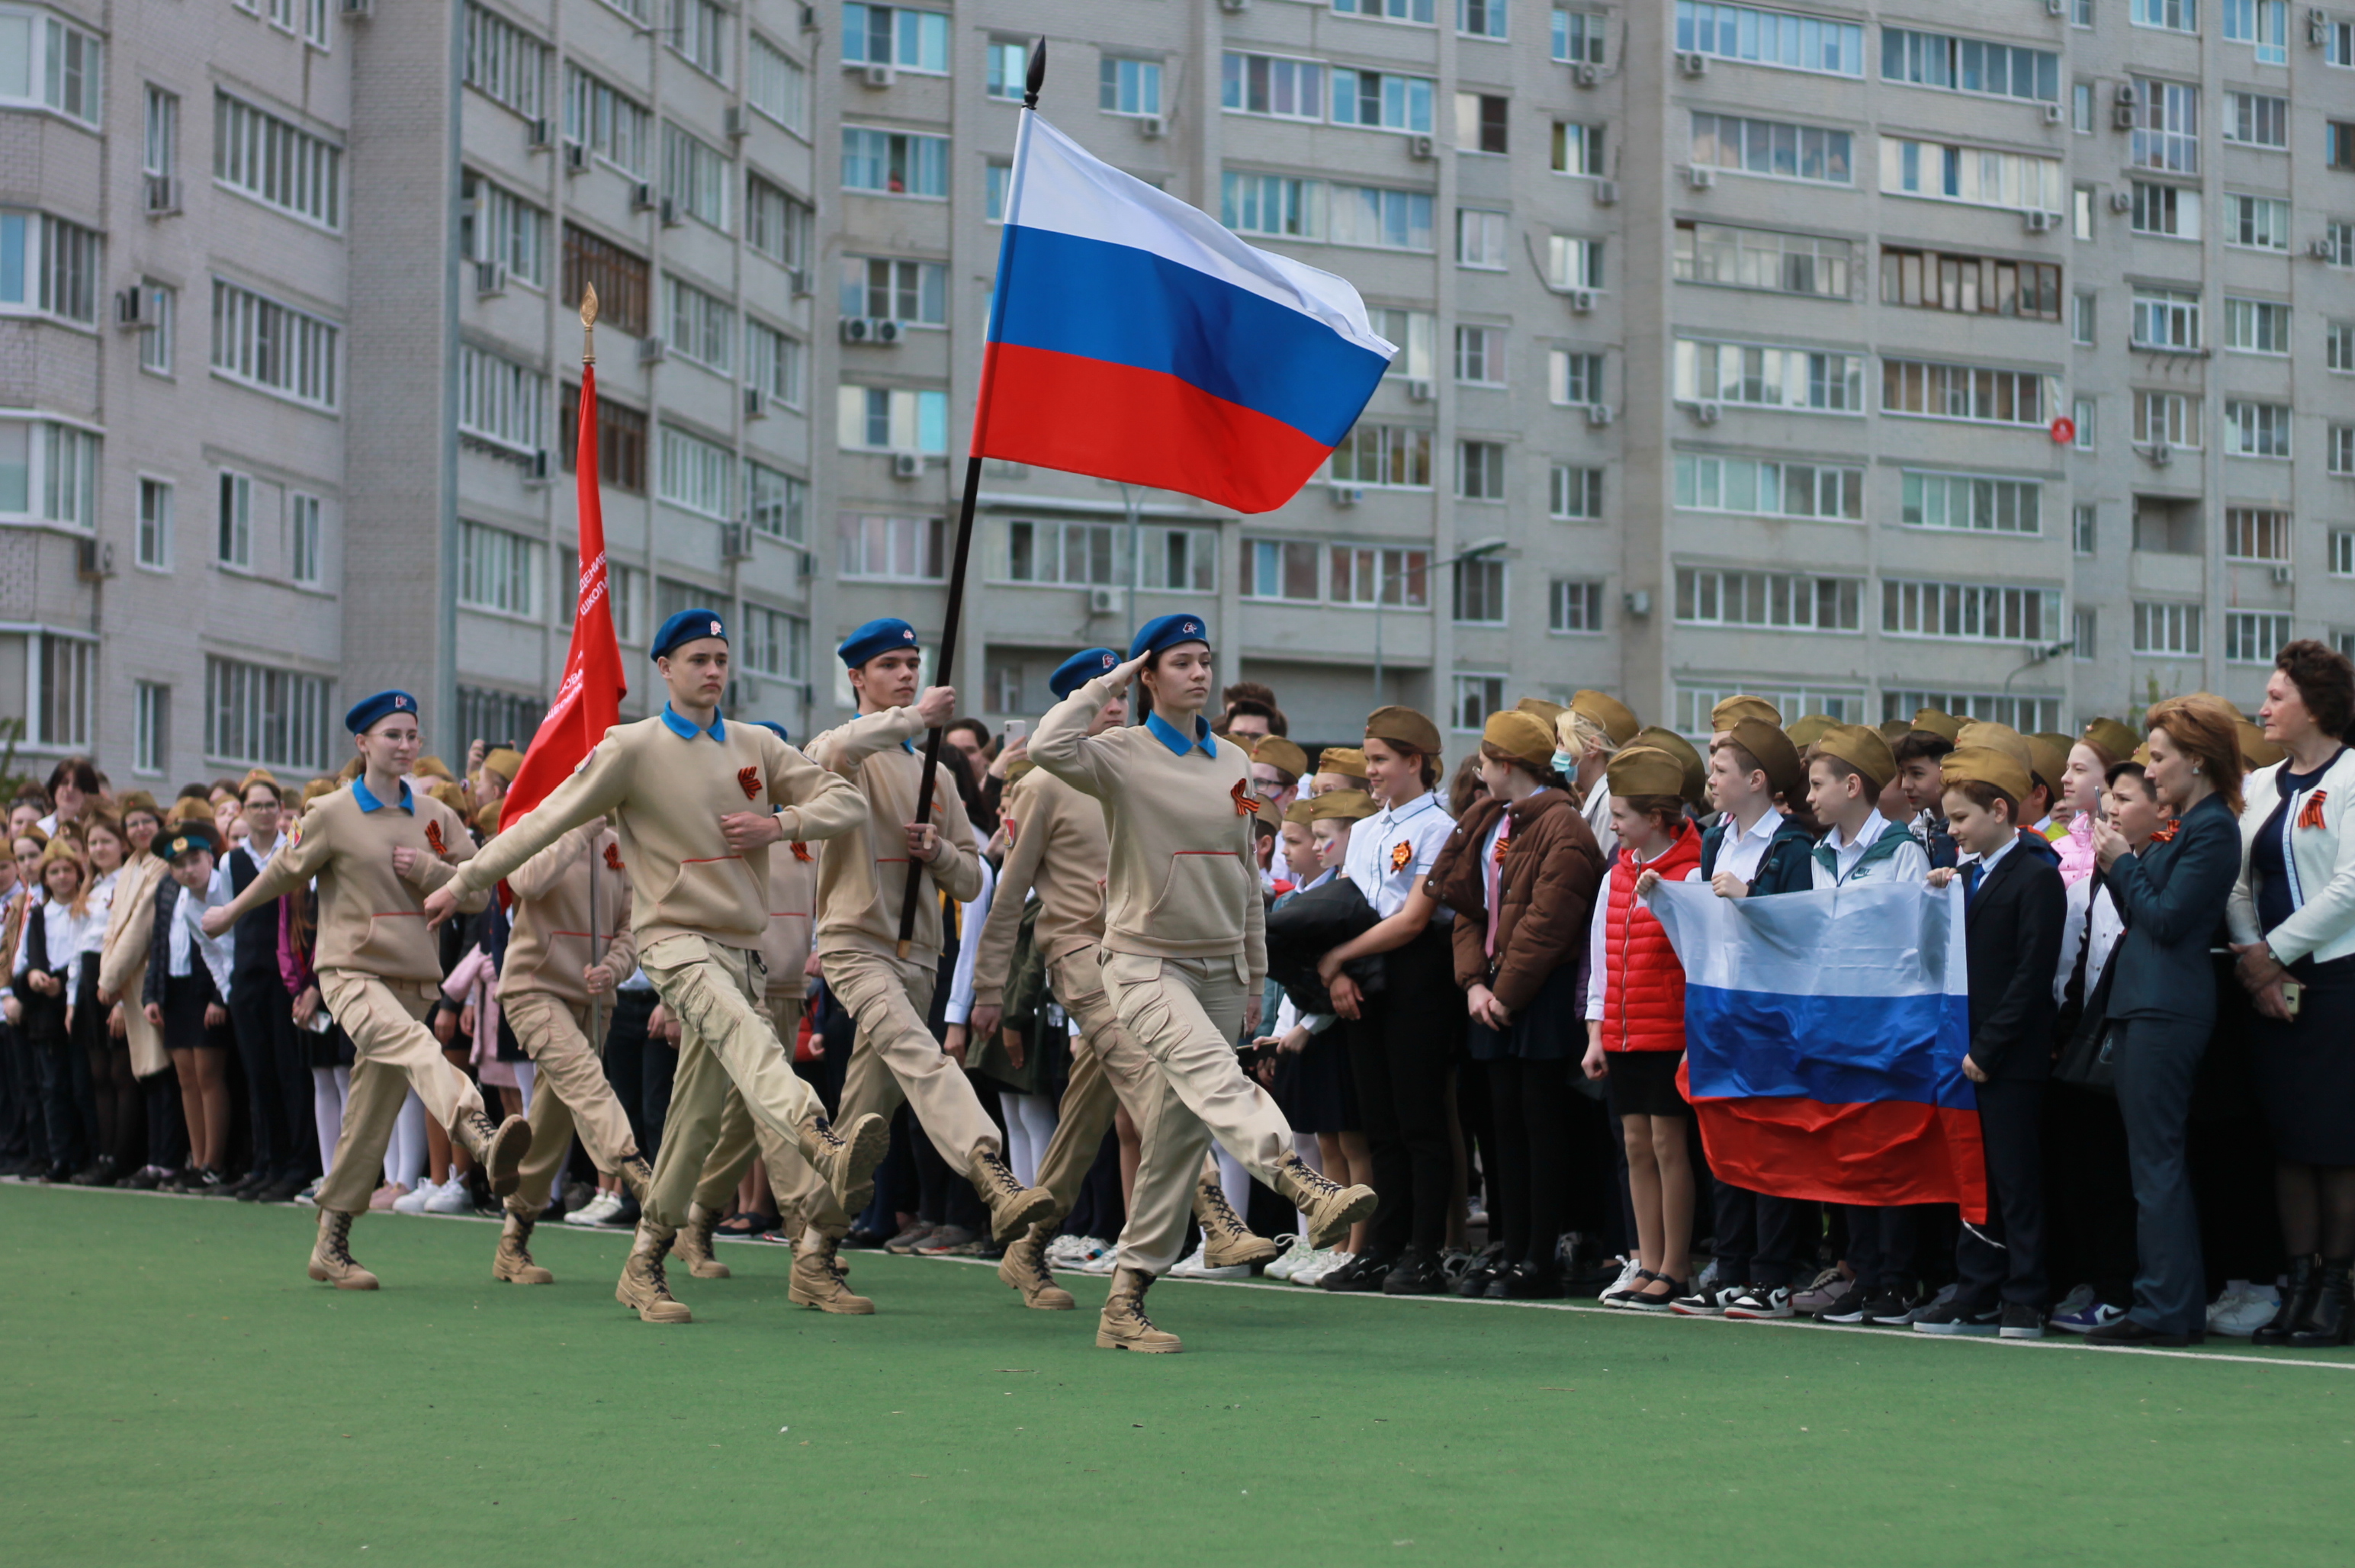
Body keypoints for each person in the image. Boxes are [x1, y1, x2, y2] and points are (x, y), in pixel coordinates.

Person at [426, 615, 880, 1324]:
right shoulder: (631, 747)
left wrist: (779, 825)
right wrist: (465, 881)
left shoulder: (756, 744)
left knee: (695, 1122)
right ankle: (819, 1137)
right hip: (672, 942)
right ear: (663, 667)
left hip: (742, 950)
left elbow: (845, 802)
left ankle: (644, 1261)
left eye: (723, 658)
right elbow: (547, 818)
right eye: (698, 658)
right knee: (750, 1037)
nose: (713, 670)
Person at [1030, 615, 1376, 1351]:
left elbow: (1246, 866)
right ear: (1151, 675)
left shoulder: (1234, 767)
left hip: (1222, 967)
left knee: (1177, 1140)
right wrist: (1113, 679)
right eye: (1180, 662)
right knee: (1217, 1078)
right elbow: (1045, 745)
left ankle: (1124, 1301)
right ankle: (1298, 1182)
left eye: (1204, 661)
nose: (1198, 673)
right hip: (1144, 962)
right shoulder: (1117, 755)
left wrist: (1253, 971)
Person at [972, 649, 1272, 1311]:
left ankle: (1026, 1245)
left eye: (1113, 694)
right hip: (1082, 951)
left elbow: (1239, 835)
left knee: (1086, 1112)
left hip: (1155, 949)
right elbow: (1011, 890)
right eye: (1092, 694)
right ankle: (1212, 1207)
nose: (1109, 705)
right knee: (1148, 1068)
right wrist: (989, 988)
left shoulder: (1157, 764)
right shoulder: (1046, 783)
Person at [204, 691, 533, 1290]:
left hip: (414, 976)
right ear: (363, 744)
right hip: (350, 975)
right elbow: (283, 868)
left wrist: (431, 873)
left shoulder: (438, 816)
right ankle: (479, 1131)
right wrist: (229, 911)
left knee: (369, 1113)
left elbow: (482, 892)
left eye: (413, 735)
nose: (406, 745)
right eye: (393, 735)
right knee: (416, 1047)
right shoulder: (330, 812)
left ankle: (330, 1243)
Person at [805, 619, 1052, 1253]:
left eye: (913, 662)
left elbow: (974, 880)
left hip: (919, 957)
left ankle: (814, 1241)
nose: (907, 673)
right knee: (924, 1057)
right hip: (856, 945)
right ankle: (991, 1173)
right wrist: (915, 717)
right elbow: (833, 755)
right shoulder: (840, 752)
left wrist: (940, 851)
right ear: (857, 678)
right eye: (890, 665)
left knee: (864, 1116)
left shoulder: (938, 778)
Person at [2082, 696, 2244, 1348]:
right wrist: (2121, 862)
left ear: (2196, 759)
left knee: (2157, 1163)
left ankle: (2166, 1306)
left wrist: (2122, 859)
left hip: (2166, 1008)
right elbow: (2149, 910)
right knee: (2153, 1161)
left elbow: (2170, 919)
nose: (2151, 773)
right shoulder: (2196, 824)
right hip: (2152, 1004)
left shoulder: (2212, 828)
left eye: (2159, 757)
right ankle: (2165, 1300)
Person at [1425, 710, 1603, 1300]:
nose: (1478, 769)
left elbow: (1551, 924)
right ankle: (1511, 1249)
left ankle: (1539, 1257)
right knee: (1503, 1130)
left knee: (1541, 1126)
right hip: (1495, 997)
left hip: (1538, 998)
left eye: (1484, 758)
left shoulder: (1564, 827)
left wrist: (1502, 993)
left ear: (1506, 765)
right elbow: (1466, 906)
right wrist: (1474, 983)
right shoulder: (1491, 820)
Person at [1913, 747, 2065, 1339]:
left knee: (2016, 1178)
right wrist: (1941, 895)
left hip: (2008, 1058)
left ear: (1999, 810)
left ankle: (2025, 1292)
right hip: (1963, 1050)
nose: (1951, 831)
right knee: (1972, 1175)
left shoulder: (2038, 874)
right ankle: (1976, 1286)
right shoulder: (1965, 876)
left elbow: (2033, 976)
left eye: (1960, 820)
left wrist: (1990, 1049)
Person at [2228, 641, 2355, 1346]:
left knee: (2336, 1143)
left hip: (2338, 981)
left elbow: (2351, 886)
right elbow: (2238, 884)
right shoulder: (2264, 784)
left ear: (2317, 704)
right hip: (2270, 985)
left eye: (2277, 697)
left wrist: (2273, 955)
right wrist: (2258, 963)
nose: (2263, 707)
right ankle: (2298, 1285)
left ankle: (2336, 1290)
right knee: (2288, 1142)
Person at [1314, 705, 1461, 1296]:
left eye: (1380, 760)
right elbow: (1343, 906)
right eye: (1369, 758)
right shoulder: (1369, 830)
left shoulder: (1439, 827)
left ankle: (1425, 1250)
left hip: (1417, 978)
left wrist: (1340, 957)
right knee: (1378, 1124)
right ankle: (1382, 1246)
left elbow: (1412, 919)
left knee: (1419, 1121)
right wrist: (1339, 974)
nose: (1370, 770)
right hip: (1362, 979)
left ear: (1414, 763)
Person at [1675, 718, 1820, 1319]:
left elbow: (1803, 932)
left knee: (1773, 1142)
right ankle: (1730, 1265)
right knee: (1727, 1137)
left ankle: (1772, 1272)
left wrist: (1750, 899)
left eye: (1722, 771)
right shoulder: (1716, 839)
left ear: (1757, 780)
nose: (1711, 780)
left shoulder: (1793, 847)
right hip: (1723, 1008)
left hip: (1774, 1016)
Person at [1800, 725, 1933, 1325]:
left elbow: (1914, 942)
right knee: (1849, 1155)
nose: (1810, 798)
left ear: (1853, 786)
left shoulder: (1902, 851)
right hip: (1838, 1024)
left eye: (1818, 785)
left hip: (1888, 1025)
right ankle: (1863, 1270)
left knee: (1890, 1154)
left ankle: (1896, 1279)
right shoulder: (1819, 855)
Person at [488, 810, 654, 1287]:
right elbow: (528, 880)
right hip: (533, 988)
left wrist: (615, 968)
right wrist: (579, 827)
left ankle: (513, 1238)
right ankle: (635, 1170)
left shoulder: (619, 842)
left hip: (593, 998)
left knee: (552, 1118)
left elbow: (630, 927)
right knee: (585, 1078)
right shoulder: (539, 826)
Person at [1587, 746, 1704, 1310]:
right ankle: (1648, 1260)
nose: (1614, 824)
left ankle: (1676, 1266)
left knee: (1667, 1143)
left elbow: (1700, 959)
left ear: (1655, 819)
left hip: (1670, 1033)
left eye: (1622, 815)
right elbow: (1601, 960)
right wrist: (1596, 1032)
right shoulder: (1618, 874)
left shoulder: (1691, 871)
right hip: (1624, 1030)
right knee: (1634, 1143)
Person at [214, 771, 313, 1201]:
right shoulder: (230, 861)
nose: (263, 812)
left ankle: (297, 1165)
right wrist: (228, 983)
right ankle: (265, 1163)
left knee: (291, 1072)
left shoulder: (295, 849)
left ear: (280, 809)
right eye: (254, 806)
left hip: (286, 980)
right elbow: (219, 925)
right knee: (258, 1075)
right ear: (242, 811)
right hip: (248, 979)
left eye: (270, 805)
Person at [146, 819, 236, 1190]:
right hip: (179, 988)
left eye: (195, 859)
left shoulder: (227, 882)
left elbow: (230, 948)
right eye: (179, 864)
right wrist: (152, 994)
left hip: (212, 991)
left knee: (208, 1075)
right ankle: (197, 1160)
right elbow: (176, 945)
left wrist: (220, 997)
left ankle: (214, 1162)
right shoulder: (180, 899)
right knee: (187, 1078)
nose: (188, 869)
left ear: (210, 857)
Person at [96, 795, 172, 1188]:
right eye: (133, 824)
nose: (140, 829)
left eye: (146, 821)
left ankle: (165, 1160)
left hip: (147, 976)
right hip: (126, 980)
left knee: (159, 1070)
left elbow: (142, 924)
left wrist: (109, 979)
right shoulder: (130, 867)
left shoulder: (162, 864)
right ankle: (153, 1158)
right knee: (144, 1073)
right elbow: (114, 926)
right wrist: (107, 976)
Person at [17, 838, 91, 1181]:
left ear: (78, 874)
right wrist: (33, 976)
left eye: (67, 870)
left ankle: (85, 1155)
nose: (61, 877)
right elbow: (28, 960)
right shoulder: (40, 915)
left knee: (82, 1084)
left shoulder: (86, 910)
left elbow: (83, 954)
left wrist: (62, 981)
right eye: (54, 871)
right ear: (45, 878)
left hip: (78, 1005)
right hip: (46, 1013)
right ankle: (59, 1156)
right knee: (52, 1088)